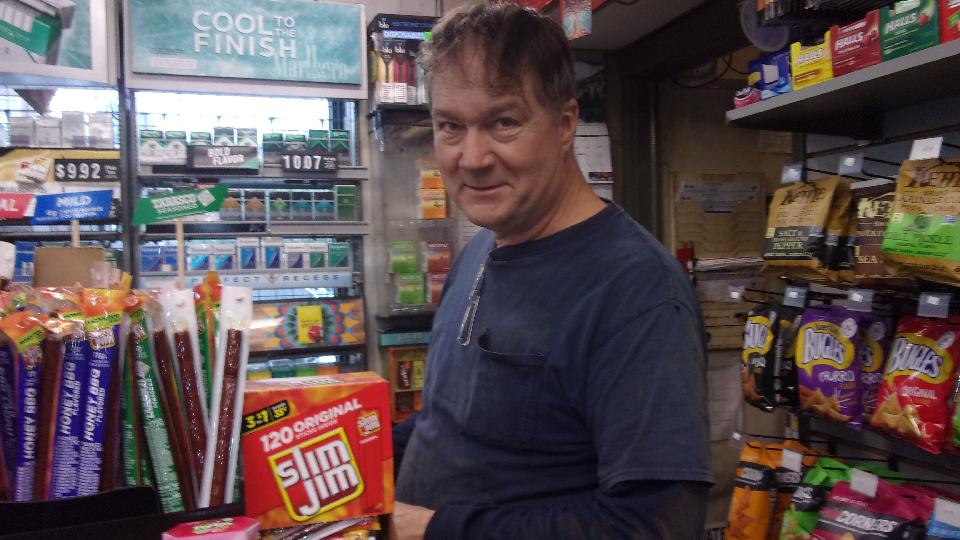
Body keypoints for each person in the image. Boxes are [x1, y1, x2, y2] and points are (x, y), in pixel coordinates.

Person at [391, 3, 712, 539]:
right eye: (451, 126)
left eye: (504, 123)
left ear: (565, 125)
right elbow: (445, 426)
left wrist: (432, 529)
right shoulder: (479, 250)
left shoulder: (637, 291)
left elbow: (651, 526)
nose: (472, 157)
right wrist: (340, 451)